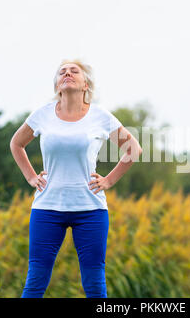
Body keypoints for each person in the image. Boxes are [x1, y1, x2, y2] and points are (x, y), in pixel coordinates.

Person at [9, 59, 143, 298]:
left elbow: (134, 148)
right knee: (36, 280)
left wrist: (109, 181)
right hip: (47, 207)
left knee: (94, 283)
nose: (67, 73)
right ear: (57, 86)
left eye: (74, 71)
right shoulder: (42, 115)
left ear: (85, 85)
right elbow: (16, 143)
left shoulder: (100, 116)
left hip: (90, 209)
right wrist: (30, 177)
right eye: (62, 72)